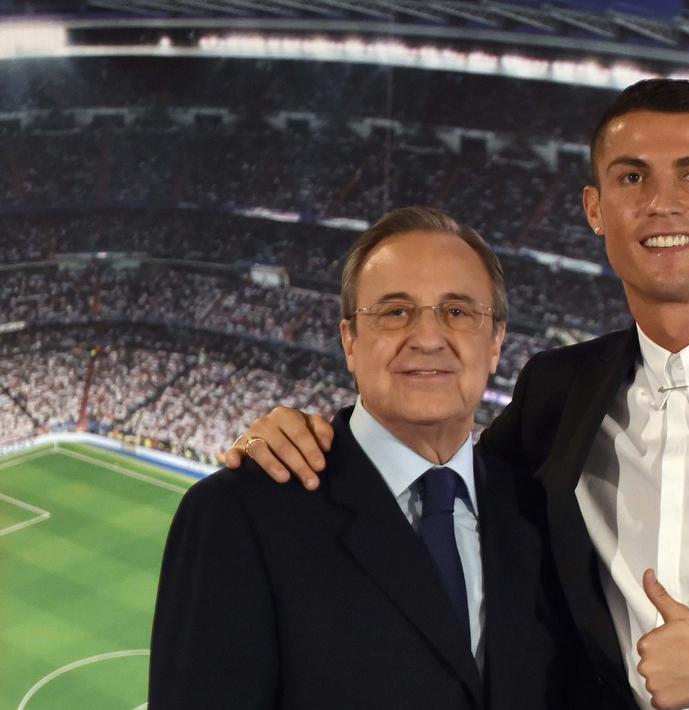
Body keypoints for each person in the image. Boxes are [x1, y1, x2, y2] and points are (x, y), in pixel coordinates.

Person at [227, 80, 689, 710]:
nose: (662, 203)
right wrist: (314, 439)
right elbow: (443, 492)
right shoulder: (558, 390)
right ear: (595, 209)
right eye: (631, 178)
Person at [150, 207, 571, 709]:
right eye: (395, 312)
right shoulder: (237, 514)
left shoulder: (534, 510)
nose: (428, 338)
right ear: (349, 340)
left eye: (458, 312)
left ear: (496, 342)